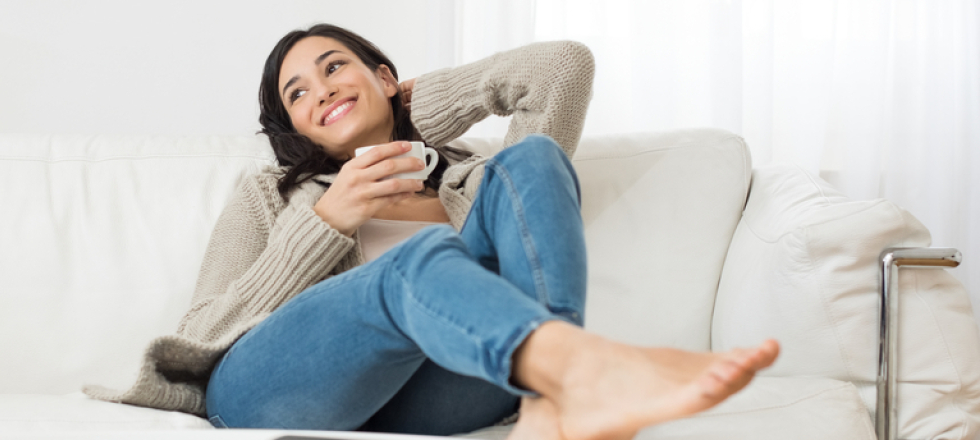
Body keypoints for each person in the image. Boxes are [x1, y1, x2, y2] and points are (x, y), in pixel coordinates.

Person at [85, 23, 780, 440]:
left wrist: (420, 108)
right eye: (298, 93)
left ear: (384, 77)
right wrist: (327, 222)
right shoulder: (271, 194)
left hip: (435, 392)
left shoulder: (473, 180)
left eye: (335, 69)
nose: (321, 90)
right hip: (274, 386)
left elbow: (562, 65)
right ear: (292, 127)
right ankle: (581, 377)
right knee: (414, 262)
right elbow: (206, 326)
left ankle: (552, 396)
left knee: (533, 156)